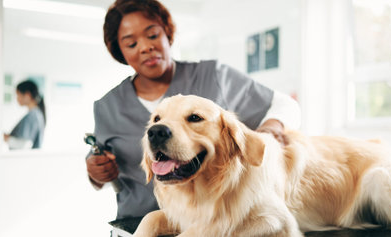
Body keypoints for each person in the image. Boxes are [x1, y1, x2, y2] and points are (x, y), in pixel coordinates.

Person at [86, 0, 301, 221]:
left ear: (167, 34)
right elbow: (101, 168)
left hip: (215, 222)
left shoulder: (213, 77)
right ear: (119, 51)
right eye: (131, 44)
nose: (145, 47)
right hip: (139, 223)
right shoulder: (106, 107)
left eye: (152, 36)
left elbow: (286, 105)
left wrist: (270, 130)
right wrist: (96, 174)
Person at [4, 80, 46, 149]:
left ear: (27, 95)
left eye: (18, 95)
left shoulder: (33, 115)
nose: (17, 99)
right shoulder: (36, 114)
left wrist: (6, 138)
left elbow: (24, 145)